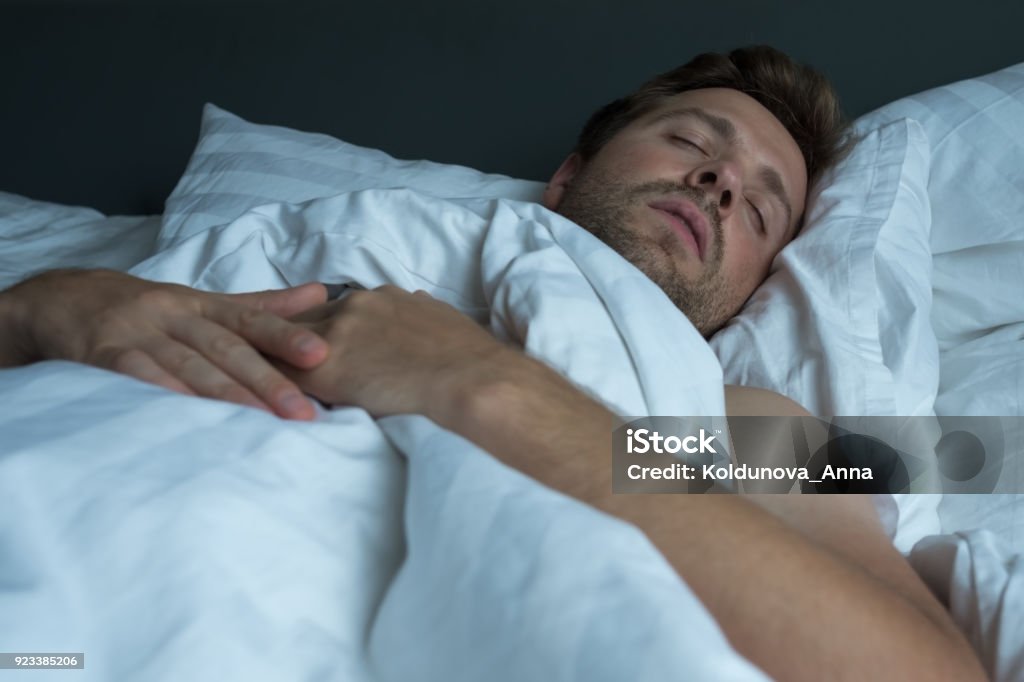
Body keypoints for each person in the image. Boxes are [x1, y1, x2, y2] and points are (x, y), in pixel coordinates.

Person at [0, 47, 985, 681]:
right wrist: (41, 308)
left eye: (761, 209)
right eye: (690, 140)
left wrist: (474, 383)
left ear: (746, 292)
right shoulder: (303, 249)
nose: (721, 181)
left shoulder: (725, 421)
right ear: (567, 176)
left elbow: (917, 669)